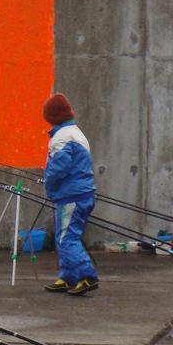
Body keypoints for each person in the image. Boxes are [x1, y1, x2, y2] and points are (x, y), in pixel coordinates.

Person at [41, 92, 99, 295]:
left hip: (70, 197)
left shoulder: (61, 137)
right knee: (65, 236)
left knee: (67, 239)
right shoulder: (77, 133)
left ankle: (87, 275)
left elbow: (59, 167)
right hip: (84, 194)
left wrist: (48, 184)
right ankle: (68, 276)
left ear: (53, 117)